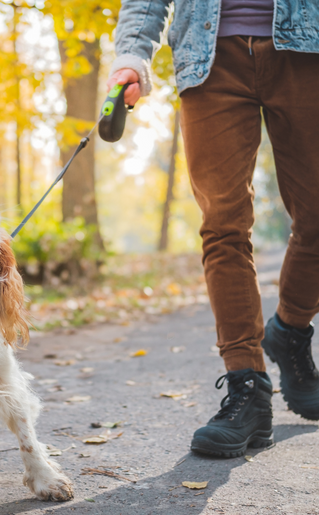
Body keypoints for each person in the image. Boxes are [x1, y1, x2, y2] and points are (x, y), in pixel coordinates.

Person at [107, 0, 319, 458]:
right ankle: (248, 387)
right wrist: (132, 54)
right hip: (208, 57)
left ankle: (291, 329)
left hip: (307, 50)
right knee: (223, 225)